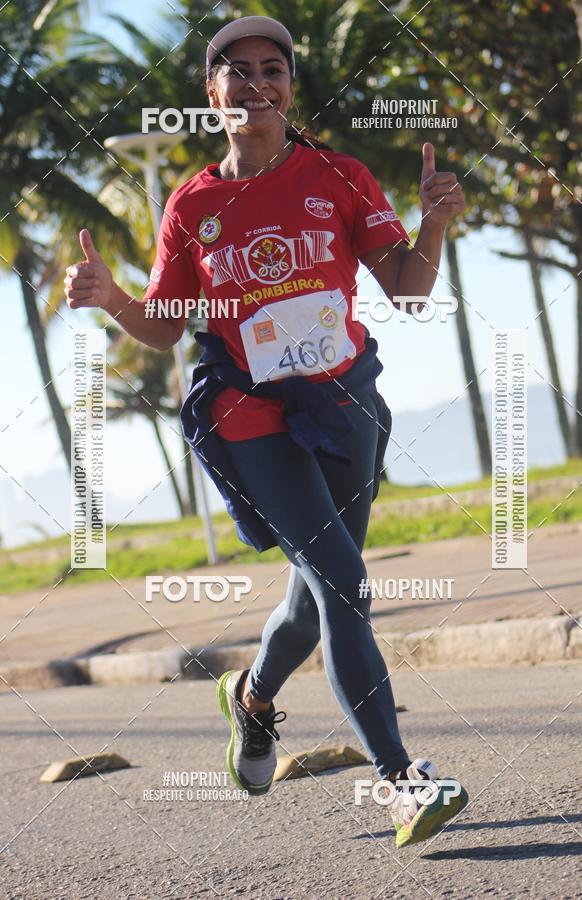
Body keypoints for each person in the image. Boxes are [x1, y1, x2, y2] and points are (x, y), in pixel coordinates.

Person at [64, 15, 467, 848]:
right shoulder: (194, 205)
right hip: (249, 414)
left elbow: (409, 290)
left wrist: (432, 225)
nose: (256, 83)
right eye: (236, 70)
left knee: (316, 601)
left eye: (271, 68)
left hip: (345, 404)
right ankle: (401, 782)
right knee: (346, 585)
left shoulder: (341, 177)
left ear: (290, 86)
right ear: (211, 94)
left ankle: (251, 698)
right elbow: (166, 326)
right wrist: (112, 299)